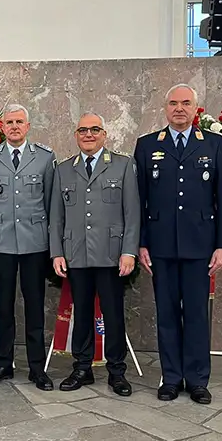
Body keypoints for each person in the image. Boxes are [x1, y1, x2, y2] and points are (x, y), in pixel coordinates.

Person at [134, 84, 222, 405]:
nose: (179, 108)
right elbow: (139, 200)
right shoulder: (148, 145)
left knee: (195, 315)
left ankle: (197, 380)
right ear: (165, 108)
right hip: (161, 247)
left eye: (186, 103)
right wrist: (141, 243)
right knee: (166, 314)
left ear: (196, 108)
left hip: (200, 247)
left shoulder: (214, 145)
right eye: (173, 103)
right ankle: (171, 378)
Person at [49, 113, 140, 396]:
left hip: (112, 255)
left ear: (104, 134)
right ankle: (82, 367)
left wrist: (129, 252)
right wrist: (56, 253)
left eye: (94, 130)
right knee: (82, 312)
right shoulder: (63, 169)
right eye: (83, 130)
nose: (88, 134)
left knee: (113, 314)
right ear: (76, 135)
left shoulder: (123, 166)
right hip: (76, 253)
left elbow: (132, 214)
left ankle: (117, 372)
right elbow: (56, 216)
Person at [0, 104, 56, 391]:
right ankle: (3, 363)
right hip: (2, 242)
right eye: (9, 122)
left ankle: (37, 367)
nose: (14, 127)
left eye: (19, 122)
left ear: (28, 126)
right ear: (2, 127)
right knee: (4, 306)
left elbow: (50, 201)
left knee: (35, 305)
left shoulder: (45, 158)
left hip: (35, 241)